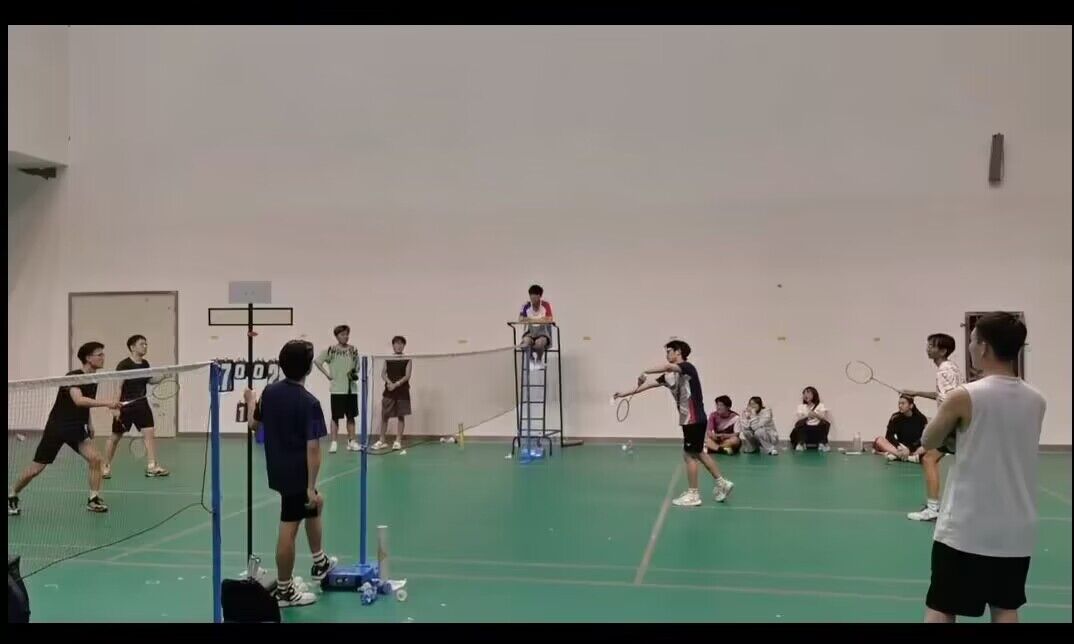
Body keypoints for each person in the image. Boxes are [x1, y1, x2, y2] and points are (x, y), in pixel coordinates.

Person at [920, 312, 1045, 623]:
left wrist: (950, 431)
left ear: (984, 347)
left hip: (966, 526)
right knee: (1005, 608)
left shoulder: (964, 395)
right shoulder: (1037, 400)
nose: (971, 347)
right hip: (1016, 529)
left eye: (973, 340)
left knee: (942, 606)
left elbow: (928, 439)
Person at [245, 340, 338, 608]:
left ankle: (320, 562)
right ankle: (285, 591)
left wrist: (250, 401)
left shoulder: (269, 392)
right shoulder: (310, 403)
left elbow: (253, 425)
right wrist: (309, 486)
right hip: (298, 475)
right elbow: (313, 449)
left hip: (277, 468)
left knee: (316, 503)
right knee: (289, 526)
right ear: (308, 368)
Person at [614, 339, 734, 507]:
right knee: (699, 452)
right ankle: (722, 483)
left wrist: (645, 370)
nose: (667, 354)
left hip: (693, 419)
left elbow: (667, 366)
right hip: (691, 420)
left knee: (689, 455)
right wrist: (623, 394)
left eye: (669, 351)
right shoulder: (669, 377)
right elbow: (647, 385)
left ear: (678, 352)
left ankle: (693, 494)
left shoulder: (688, 367)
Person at [8, 342, 119, 515]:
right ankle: (12, 493)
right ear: (88, 358)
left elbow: (86, 404)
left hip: (76, 427)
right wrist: (107, 403)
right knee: (36, 469)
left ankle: (93, 499)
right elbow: (79, 400)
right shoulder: (73, 376)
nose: (103, 357)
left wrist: (90, 423)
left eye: (103, 354)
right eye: (99, 354)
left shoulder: (93, 378)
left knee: (96, 459)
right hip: (58, 427)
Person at [901, 333, 965, 522]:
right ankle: (938, 507)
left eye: (932, 345)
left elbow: (948, 401)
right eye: (928, 344)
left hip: (953, 423)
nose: (928, 348)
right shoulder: (951, 367)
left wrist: (940, 424)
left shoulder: (943, 371)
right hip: (960, 422)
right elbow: (943, 395)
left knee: (929, 458)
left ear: (943, 351)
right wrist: (916, 393)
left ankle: (933, 509)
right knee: (933, 458)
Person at [102, 334, 170, 478]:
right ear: (132, 347)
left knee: (149, 433)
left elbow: (149, 380)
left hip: (141, 404)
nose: (145, 346)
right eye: (142, 344)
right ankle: (105, 466)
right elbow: (118, 386)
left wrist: (163, 375)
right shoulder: (124, 365)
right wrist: (115, 407)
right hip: (126, 406)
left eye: (146, 344)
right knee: (115, 437)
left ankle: (152, 466)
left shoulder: (145, 364)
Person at [314, 324, 360, 453]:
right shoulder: (331, 350)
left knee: (351, 416)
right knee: (335, 417)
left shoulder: (353, 350)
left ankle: (352, 441)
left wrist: (354, 372)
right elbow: (317, 361)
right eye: (342, 334)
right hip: (337, 389)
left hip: (351, 389)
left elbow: (357, 367)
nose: (345, 337)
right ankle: (334, 442)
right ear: (337, 336)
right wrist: (327, 374)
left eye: (347, 334)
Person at [373, 336, 412, 451]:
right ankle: (381, 440)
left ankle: (398, 441)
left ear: (404, 346)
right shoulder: (388, 359)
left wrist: (396, 384)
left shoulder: (408, 359)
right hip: (389, 390)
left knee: (401, 416)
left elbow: (407, 376)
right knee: (385, 415)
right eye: (396, 343)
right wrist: (390, 383)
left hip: (402, 391)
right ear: (393, 345)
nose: (399, 346)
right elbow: (383, 374)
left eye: (401, 344)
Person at [874, 395, 928, 463]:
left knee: (930, 445)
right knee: (879, 440)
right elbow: (889, 435)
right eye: (899, 403)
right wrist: (898, 446)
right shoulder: (895, 417)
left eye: (903, 403)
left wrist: (909, 449)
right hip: (901, 447)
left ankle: (898, 456)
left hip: (915, 447)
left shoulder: (921, 418)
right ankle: (908, 457)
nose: (900, 406)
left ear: (911, 406)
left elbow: (923, 438)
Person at [518, 284, 554, 369]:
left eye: (534, 298)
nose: (533, 300)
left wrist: (529, 319)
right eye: (531, 298)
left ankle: (538, 360)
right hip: (530, 332)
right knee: (526, 342)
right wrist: (540, 319)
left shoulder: (546, 305)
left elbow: (549, 319)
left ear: (539, 296)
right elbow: (520, 319)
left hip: (543, 333)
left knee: (539, 343)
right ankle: (531, 359)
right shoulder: (526, 305)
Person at [790, 386, 831, 452]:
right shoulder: (801, 406)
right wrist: (807, 415)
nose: (806, 395)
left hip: (817, 428)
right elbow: (799, 418)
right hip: (806, 428)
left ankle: (822, 444)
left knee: (824, 423)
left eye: (808, 393)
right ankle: (801, 443)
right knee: (799, 424)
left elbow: (824, 417)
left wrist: (815, 415)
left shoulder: (820, 405)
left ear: (814, 394)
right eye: (804, 393)